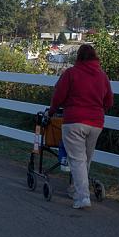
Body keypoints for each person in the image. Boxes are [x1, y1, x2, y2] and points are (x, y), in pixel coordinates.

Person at [49, 44, 113, 209]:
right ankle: (75, 190)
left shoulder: (71, 73)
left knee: (77, 160)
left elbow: (58, 95)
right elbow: (109, 101)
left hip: (74, 121)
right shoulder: (102, 76)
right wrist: (98, 111)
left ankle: (83, 197)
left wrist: (52, 111)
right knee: (86, 159)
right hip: (96, 123)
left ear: (78, 57)